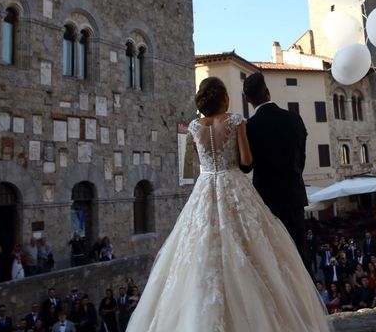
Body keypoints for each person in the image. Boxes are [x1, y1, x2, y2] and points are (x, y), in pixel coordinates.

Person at [125, 77, 330, 332]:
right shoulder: (236, 121)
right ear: (224, 98)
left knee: (198, 250)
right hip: (233, 182)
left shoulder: (191, 127)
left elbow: (189, 169)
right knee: (256, 246)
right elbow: (246, 161)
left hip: (205, 186)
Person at [241, 72, 309, 260]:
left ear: (248, 99)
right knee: (299, 255)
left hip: (267, 200)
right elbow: (301, 157)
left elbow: (246, 167)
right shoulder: (295, 119)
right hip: (294, 196)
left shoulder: (250, 127)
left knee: (275, 257)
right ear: (268, 92)